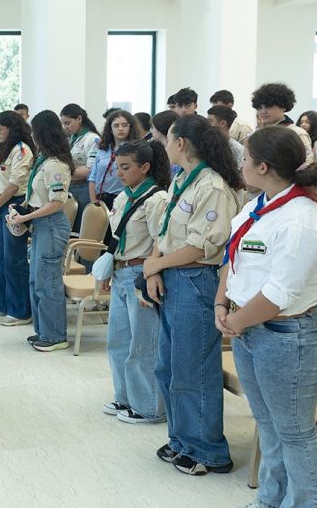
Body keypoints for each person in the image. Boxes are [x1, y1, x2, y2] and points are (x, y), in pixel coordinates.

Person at [217, 126, 317, 508]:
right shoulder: (260, 204)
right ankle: (271, 501)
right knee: (267, 423)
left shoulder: (300, 220)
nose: (241, 165)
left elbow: (279, 294)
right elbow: (233, 258)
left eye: (246, 159)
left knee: (295, 431)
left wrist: (235, 321)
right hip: (251, 326)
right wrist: (223, 303)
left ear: (263, 166)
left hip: (288, 334)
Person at [143, 114, 242, 476]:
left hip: (196, 279)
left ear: (180, 143)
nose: (163, 145)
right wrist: (154, 264)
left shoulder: (212, 186)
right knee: (167, 366)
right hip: (173, 274)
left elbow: (203, 247)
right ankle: (182, 439)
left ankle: (208, 450)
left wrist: (155, 266)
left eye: (166, 139)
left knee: (193, 369)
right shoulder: (183, 178)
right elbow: (166, 229)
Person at [104, 140, 170, 425]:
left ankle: (150, 406)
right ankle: (126, 396)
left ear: (145, 167)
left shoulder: (157, 199)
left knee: (143, 344)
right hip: (120, 272)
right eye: (117, 166)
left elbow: (162, 241)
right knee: (118, 341)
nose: (119, 172)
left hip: (139, 273)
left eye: (126, 167)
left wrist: (149, 275)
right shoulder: (122, 197)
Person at [8, 111, 74, 351]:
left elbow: (56, 202)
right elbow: (38, 195)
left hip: (52, 224)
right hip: (40, 224)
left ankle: (56, 335)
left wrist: (27, 216)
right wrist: (22, 209)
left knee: (48, 282)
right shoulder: (43, 160)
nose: (32, 136)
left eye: (34, 131)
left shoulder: (56, 164)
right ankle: (43, 330)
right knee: (36, 280)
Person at [0, 111, 35, 326]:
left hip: (12, 205)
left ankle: (20, 310)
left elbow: (14, 184)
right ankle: (5, 305)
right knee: (0, 258)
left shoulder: (22, 150)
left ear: (12, 128)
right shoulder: (4, 149)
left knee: (14, 260)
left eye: (0, 129)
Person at [60, 104, 101, 232]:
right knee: (68, 227)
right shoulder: (72, 138)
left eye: (68, 123)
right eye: (63, 124)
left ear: (79, 118)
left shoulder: (92, 139)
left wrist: (64, 173)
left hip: (84, 188)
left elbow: (91, 169)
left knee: (80, 228)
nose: (66, 127)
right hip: (70, 187)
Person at [90, 110, 140, 210]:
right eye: (116, 126)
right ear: (110, 129)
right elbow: (93, 177)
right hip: (101, 199)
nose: (121, 129)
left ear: (130, 127)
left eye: (125, 125)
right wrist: (93, 202)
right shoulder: (103, 149)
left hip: (124, 199)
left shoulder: (136, 150)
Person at [251, 82, 313, 160]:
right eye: (259, 107)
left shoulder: (297, 133)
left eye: (268, 106)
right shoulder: (258, 133)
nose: (263, 111)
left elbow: (306, 165)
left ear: (283, 106)